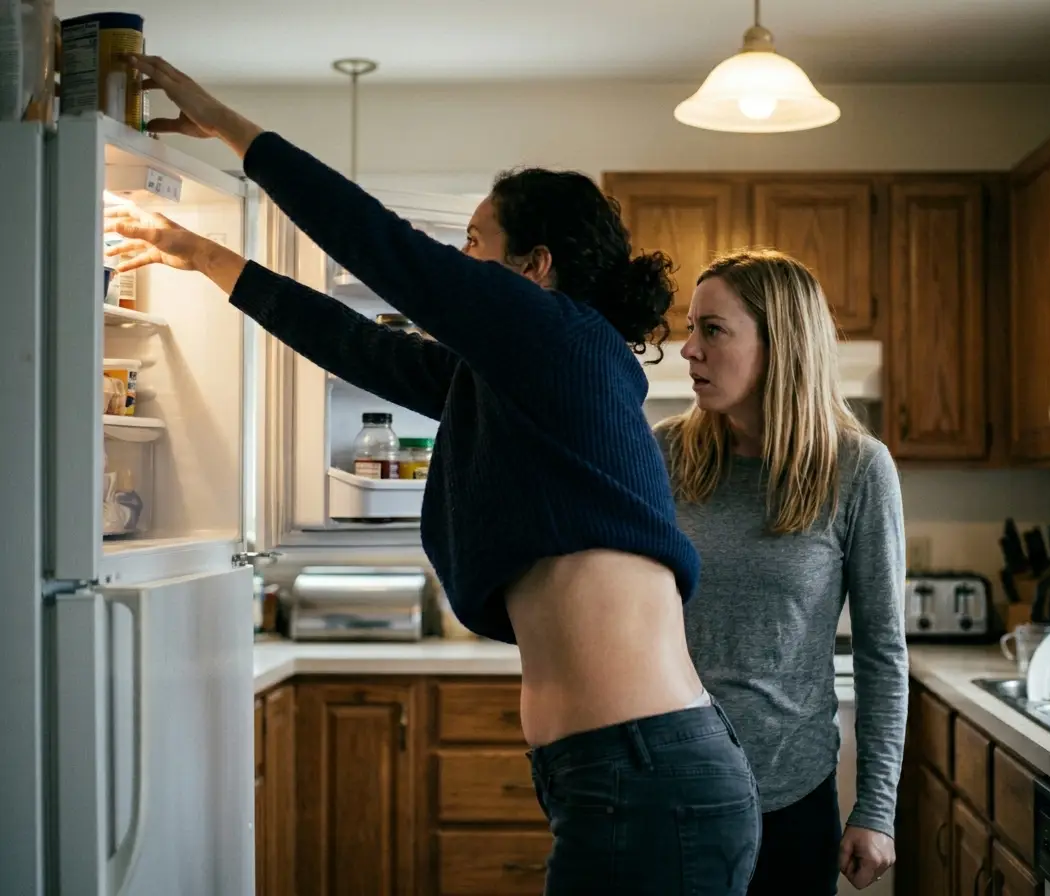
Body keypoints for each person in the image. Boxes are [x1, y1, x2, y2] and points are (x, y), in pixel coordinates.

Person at [107, 55, 761, 895]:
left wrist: (234, 128)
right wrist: (195, 251)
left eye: (475, 244)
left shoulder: (561, 341)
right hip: (622, 773)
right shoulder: (518, 379)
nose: (458, 259)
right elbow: (353, 344)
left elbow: (385, 249)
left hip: (644, 775)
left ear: (533, 270)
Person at [654, 250, 908, 894]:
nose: (688, 349)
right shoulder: (661, 454)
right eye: (690, 327)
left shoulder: (857, 469)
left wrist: (876, 809)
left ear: (780, 344)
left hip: (791, 801)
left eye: (712, 329)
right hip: (667, 793)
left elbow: (882, 651)